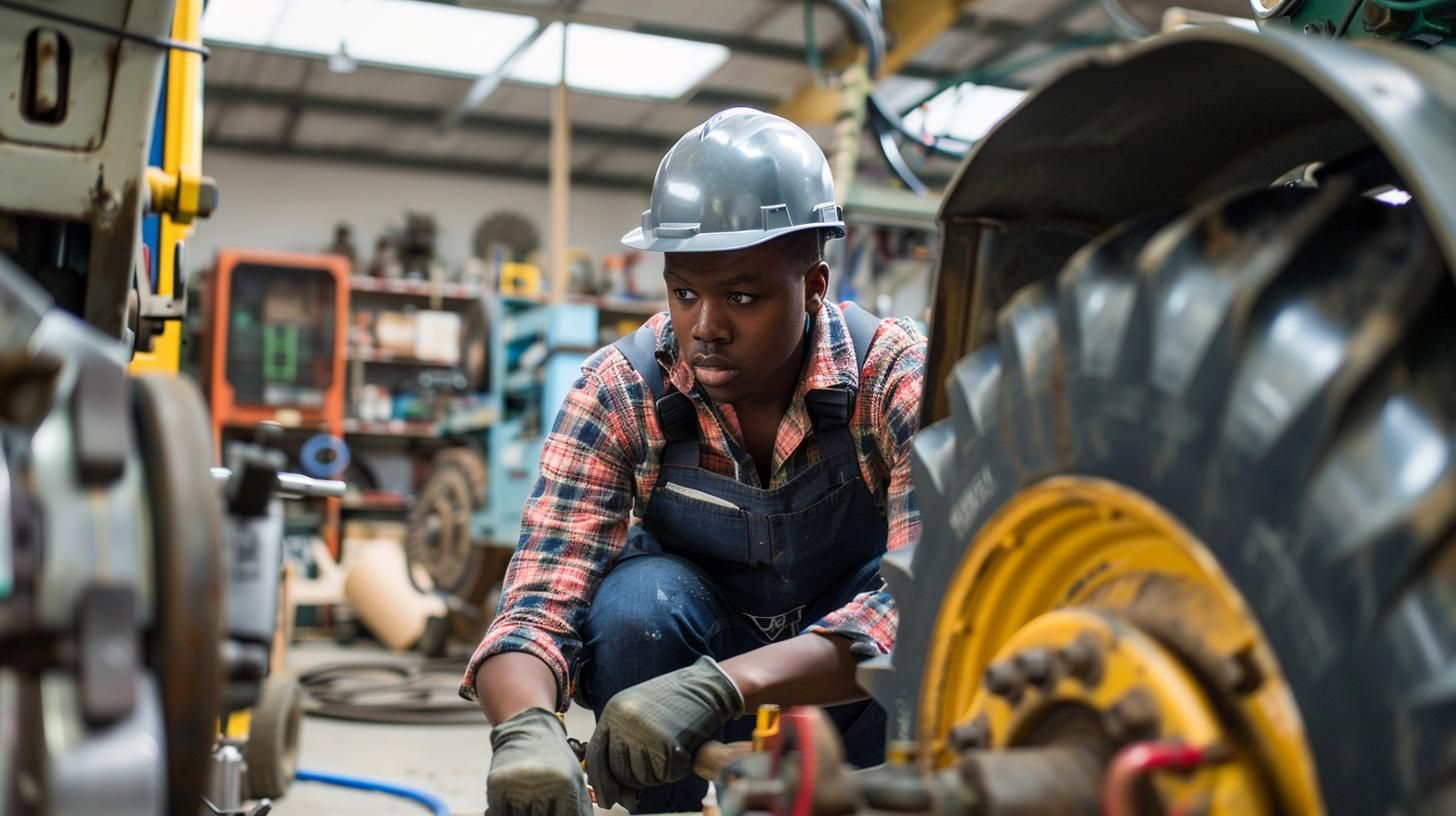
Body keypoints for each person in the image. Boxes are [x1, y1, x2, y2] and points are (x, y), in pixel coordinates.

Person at [461, 107, 925, 815]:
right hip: (668, 714)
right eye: (684, 292)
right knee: (634, 610)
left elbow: (927, 603)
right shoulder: (619, 391)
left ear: (814, 286)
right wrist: (525, 730)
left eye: (742, 296)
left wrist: (723, 685)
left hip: (851, 700)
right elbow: (538, 601)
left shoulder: (892, 375)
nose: (705, 327)